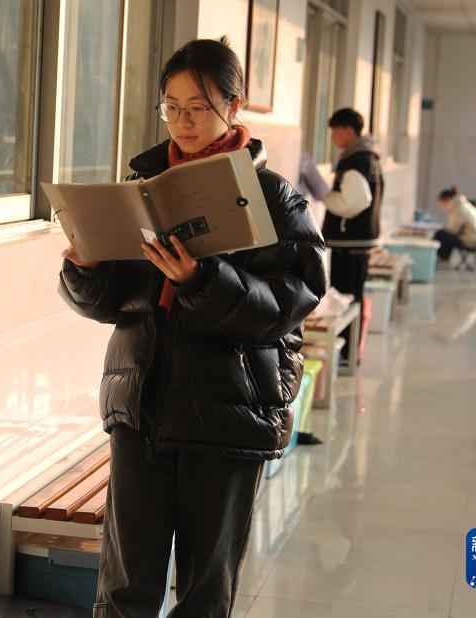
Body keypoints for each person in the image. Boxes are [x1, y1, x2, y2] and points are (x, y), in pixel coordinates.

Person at [58, 37, 326, 617]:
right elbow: (114, 306)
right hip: (142, 408)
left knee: (205, 591)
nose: (183, 122)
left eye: (198, 108)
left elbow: (291, 302)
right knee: (124, 588)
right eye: (171, 107)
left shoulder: (275, 199)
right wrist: (86, 268)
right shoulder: (142, 187)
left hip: (228, 412)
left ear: (234, 105)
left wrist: (203, 281)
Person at [300, 108, 383, 364]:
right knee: (353, 295)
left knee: (347, 298)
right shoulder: (369, 157)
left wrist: (325, 195)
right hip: (360, 239)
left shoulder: (356, 160)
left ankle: (345, 353)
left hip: (350, 241)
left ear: (348, 130)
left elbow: (352, 202)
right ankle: (349, 352)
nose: (333, 138)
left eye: (335, 132)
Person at [434, 186, 476, 262]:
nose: (441, 204)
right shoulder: (463, 205)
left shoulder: (458, 209)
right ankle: (444, 257)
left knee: (441, 234)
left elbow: (453, 230)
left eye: (441, 201)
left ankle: (442, 258)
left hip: (472, 241)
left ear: (446, 199)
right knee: (445, 235)